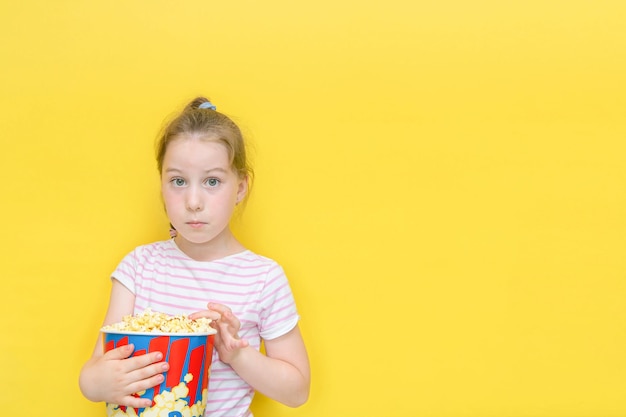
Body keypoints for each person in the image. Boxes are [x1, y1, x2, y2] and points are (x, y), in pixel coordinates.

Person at [79, 97, 310, 416]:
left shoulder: (263, 278)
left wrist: (237, 355)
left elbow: (297, 391)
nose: (193, 201)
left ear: (240, 188)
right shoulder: (139, 268)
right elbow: (92, 376)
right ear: (161, 185)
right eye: (178, 181)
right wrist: (97, 383)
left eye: (212, 181)